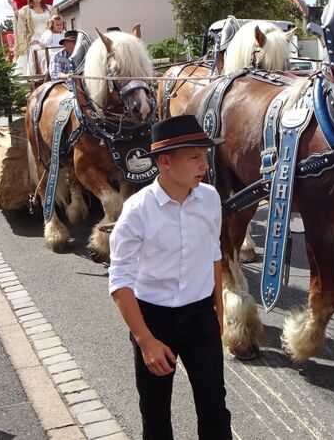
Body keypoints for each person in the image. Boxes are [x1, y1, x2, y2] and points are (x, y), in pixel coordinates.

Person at [109, 115, 231, 439]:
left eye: (204, 156)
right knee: (155, 412)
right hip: (153, 320)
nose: (203, 164)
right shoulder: (137, 211)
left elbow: (214, 254)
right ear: (165, 161)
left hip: (200, 317)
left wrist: (218, 311)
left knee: (214, 408)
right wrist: (145, 340)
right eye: (194, 157)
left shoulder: (210, 198)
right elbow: (119, 281)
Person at [13, 0, 54, 77]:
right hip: (35, 38)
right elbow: (20, 24)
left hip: (49, 37)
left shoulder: (50, 9)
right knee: (39, 52)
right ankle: (42, 75)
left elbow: (56, 22)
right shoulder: (26, 10)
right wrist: (15, 11)